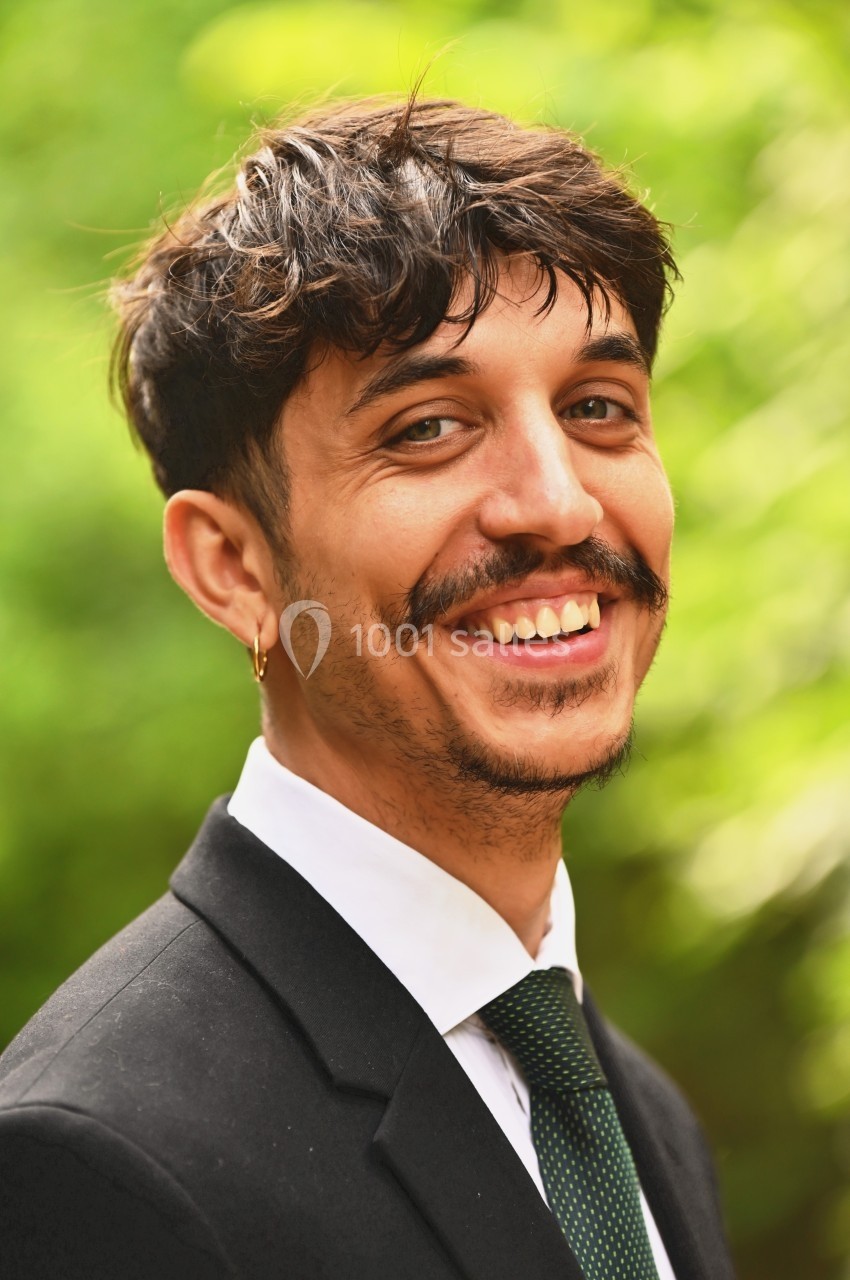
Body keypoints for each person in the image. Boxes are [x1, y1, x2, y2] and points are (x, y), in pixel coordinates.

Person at [0, 96, 736, 1279]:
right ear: (234, 566)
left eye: (597, 408)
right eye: (430, 426)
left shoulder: (639, 1116)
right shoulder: (92, 1166)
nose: (557, 502)